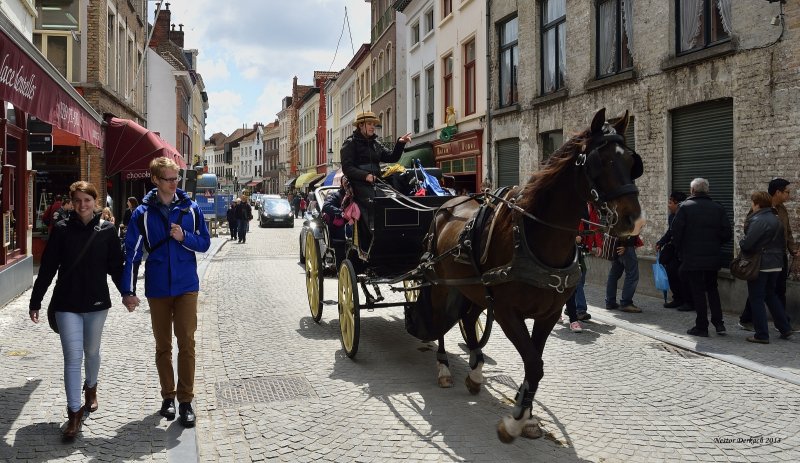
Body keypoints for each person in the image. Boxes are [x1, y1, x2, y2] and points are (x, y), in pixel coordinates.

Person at [29, 181, 126, 440]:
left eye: (88, 200)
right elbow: (48, 268)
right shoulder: (61, 230)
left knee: (91, 351)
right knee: (73, 358)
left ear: (96, 202)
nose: (83, 205)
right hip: (66, 303)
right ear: (71, 202)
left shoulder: (107, 231)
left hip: (96, 304)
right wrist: (35, 301)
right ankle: (74, 414)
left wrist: (127, 294)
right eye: (78, 200)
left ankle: (91, 387)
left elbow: (116, 267)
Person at [121, 157, 211, 428]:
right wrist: (128, 290)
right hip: (158, 287)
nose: (174, 183)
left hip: (186, 285)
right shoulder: (142, 214)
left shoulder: (190, 208)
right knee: (163, 346)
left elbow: (205, 243)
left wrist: (185, 237)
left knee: (187, 342)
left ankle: (185, 401)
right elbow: (132, 254)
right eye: (169, 179)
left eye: (176, 178)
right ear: (156, 180)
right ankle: (167, 396)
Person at [672, 178, 733, 337]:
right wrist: (715, 243)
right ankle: (719, 323)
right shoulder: (718, 208)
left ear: (692, 191)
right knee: (712, 289)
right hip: (712, 256)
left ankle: (701, 326)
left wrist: (681, 250)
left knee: (698, 291)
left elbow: (676, 233)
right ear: (707, 191)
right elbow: (727, 233)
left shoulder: (684, 208)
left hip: (692, 257)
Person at [341, 111, 412, 246]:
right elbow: (347, 168)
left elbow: (391, 158)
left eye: (374, 124)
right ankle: (376, 236)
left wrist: (400, 144)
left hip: (376, 182)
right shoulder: (350, 143)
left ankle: (397, 233)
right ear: (360, 125)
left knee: (397, 198)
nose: (373, 127)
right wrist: (365, 176)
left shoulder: (376, 144)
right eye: (369, 124)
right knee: (377, 201)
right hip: (358, 184)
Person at [738, 178, 798, 331]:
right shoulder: (760, 208)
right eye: (787, 192)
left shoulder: (782, 210)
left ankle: (780, 325)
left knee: (774, 290)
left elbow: (788, 232)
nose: (789, 196)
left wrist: (793, 250)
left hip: (778, 256)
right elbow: (749, 229)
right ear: (777, 192)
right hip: (761, 258)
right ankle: (751, 320)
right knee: (762, 292)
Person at [564, 202, 602, 332]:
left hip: (583, 247)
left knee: (581, 275)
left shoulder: (591, 206)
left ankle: (570, 308)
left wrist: (598, 245)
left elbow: (594, 225)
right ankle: (579, 309)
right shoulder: (570, 204)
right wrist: (573, 236)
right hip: (569, 246)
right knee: (577, 279)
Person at [655, 191, 690, 309]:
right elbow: (670, 232)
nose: (668, 205)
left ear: (678, 203)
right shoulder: (672, 217)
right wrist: (661, 242)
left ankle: (687, 300)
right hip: (675, 250)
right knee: (671, 272)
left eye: (670, 202)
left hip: (685, 252)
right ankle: (677, 298)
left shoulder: (686, 216)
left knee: (682, 275)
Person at [605, 217, 646, 313]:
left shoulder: (615, 208)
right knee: (632, 275)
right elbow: (627, 228)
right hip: (625, 247)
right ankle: (626, 303)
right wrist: (624, 244)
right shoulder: (626, 208)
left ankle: (610, 301)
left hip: (615, 245)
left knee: (614, 274)